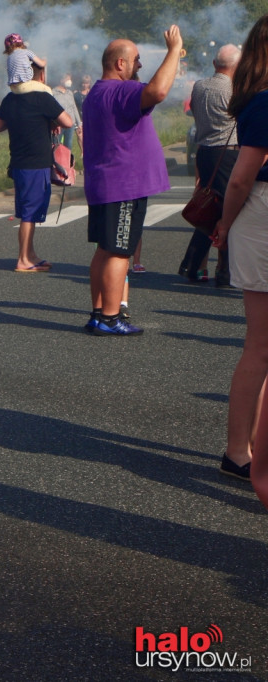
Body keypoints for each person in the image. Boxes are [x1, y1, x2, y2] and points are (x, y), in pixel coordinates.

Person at [82, 27, 182, 336]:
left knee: (105, 249)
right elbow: (158, 91)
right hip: (124, 185)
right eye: (136, 60)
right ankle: (111, 317)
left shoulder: (97, 92)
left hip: (106, 182)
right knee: (120, 251)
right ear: (120, 64)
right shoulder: (121, 91)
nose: (139, 65)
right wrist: (174, 50)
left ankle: (100, 313)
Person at [210, 20, 268, 483]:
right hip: (261, 212)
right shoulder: (265, 101)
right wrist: (225, 224)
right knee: (261, 345)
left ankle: (248, 448)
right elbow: (241, 176)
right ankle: (238, 451)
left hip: (259, 214)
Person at [0, 64, 73, 272]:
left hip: (18, 161)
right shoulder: (42, 97)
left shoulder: (10, 99)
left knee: (31, 210)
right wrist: (49, 118)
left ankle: (31, 254)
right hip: (36, 162)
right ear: (41, 76)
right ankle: (22, 260)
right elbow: (67, 121)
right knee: (29, 212)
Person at [179, 44, 241, 285]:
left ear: (215, 64)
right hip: (229, 154)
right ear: (236, 66)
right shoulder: (237, 89)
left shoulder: (199, 86)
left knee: (208, 209)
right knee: (229, 212)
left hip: (205, 152)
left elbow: (194, 112)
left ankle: (192, 264)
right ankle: (224, 270)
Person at [52, 72, 83, 150]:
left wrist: (79, 123)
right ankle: (55, 161)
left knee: (68, 146)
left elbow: (74, 108)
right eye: (68, 79)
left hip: (70, 124)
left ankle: (68, 161)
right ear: (62, 80)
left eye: (70, 79)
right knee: (56, 145)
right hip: (58, 124)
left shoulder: (70, 93)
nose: (70, 81)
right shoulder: (53, 92)